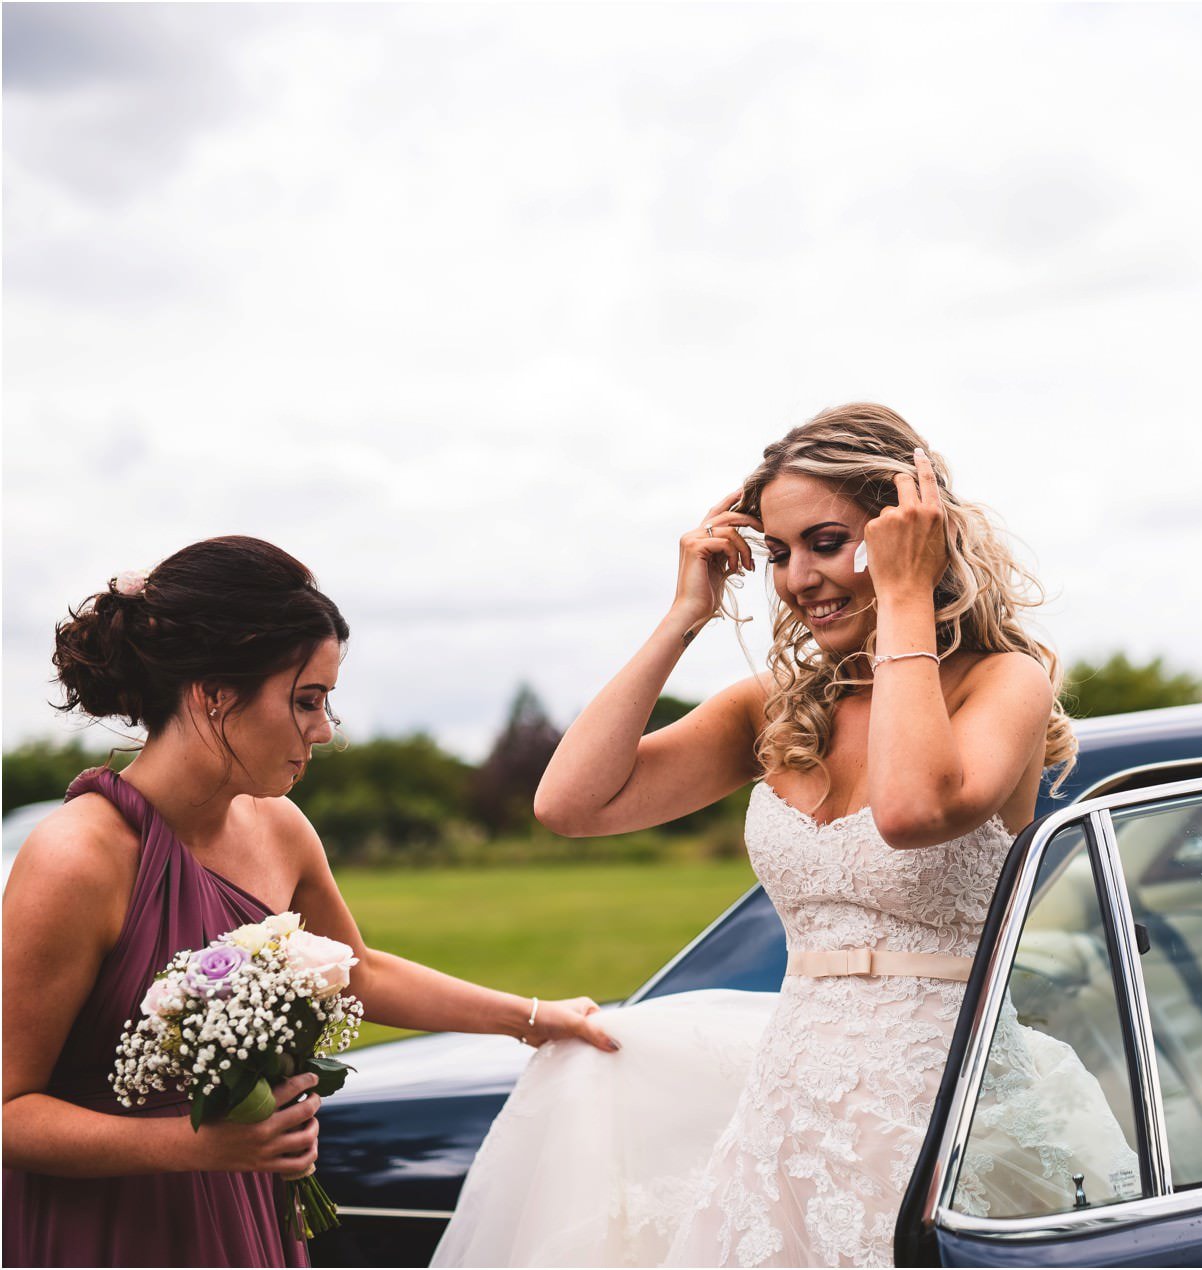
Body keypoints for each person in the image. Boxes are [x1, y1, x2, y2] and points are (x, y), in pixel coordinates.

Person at [435, 404, 1136, 1267]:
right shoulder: (773, 705)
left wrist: (908, 596)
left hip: (949, 1118)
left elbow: (913, 812)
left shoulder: (1003, 683)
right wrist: (685, 615)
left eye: (829, 541)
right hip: (788, 1120)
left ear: (909, 532)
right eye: (778, 552)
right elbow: (571, 806)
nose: (799, 577)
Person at [1, 536, 617, 1268]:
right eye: (306, 701)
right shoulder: (77, 857)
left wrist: (537, 1019)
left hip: (248, 1213)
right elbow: (10, 1111)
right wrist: (199, 1144)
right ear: (215, 694)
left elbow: (358, 972)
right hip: (111, 1231)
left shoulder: (279, 828)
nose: (325, 732)